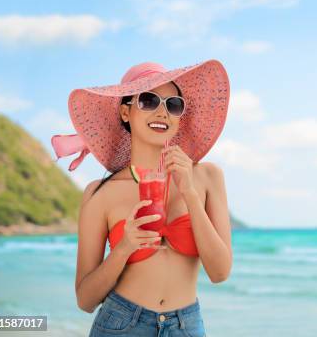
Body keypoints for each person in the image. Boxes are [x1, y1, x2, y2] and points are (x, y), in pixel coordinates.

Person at [51, 60, 232, 336]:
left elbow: (220, 273)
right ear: (126, 112)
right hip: (121, 325)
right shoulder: (100, 194)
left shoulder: (207, 177)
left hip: (187, 326)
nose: (162, 112)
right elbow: (85, 300)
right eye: (148, 101)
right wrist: (124, 247)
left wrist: (190, 196)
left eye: (172, 104)